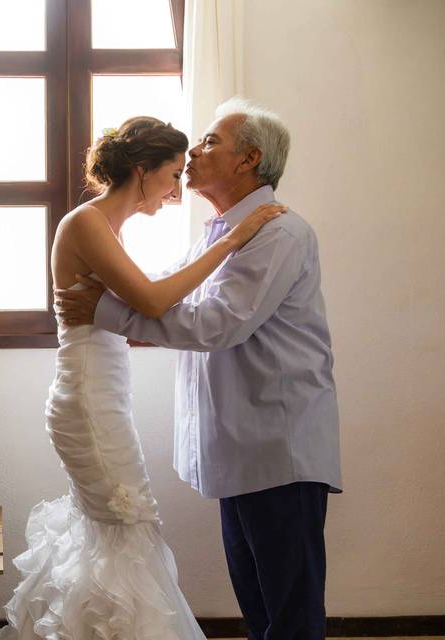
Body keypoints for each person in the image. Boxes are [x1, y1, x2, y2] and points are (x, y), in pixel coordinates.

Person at [55, 99, 342, 640]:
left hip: (278, 449)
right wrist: (118, 304)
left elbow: (215, 324)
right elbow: (165, 286)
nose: (191, 156)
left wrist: (104, 311)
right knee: (259, 604)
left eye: (210, 142)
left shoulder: (277, 233)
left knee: (290, 610)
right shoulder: (222, 231)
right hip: (243, 450)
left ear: (249, 159)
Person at [0, 116, 283, 640]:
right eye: (173, 175)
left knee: (117, 532)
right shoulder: (85, 222)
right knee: (125, 530)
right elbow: (152, 301)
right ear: (142, 170)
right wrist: (235, 238)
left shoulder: (108, 227)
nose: (176, 191)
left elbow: (155, 294)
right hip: (87, 397)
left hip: (102, 393)